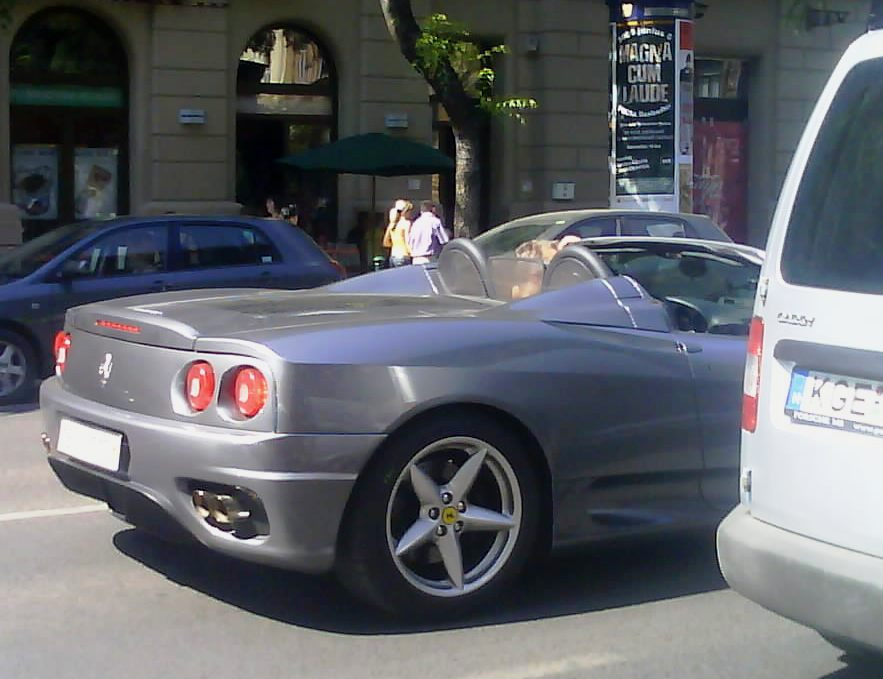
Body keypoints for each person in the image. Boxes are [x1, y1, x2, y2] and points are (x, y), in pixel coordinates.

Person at [407, 200, 449, 265]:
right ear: (433, 209)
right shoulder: (435, 221)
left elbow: (409, 242)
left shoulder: (416, 223)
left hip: (416, 259)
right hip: (429, 258)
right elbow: (444, 240)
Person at [383, 199, 413, 267]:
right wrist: (412, 253)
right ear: (405, 211)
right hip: (403, 255)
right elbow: (407, 241)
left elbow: (385, 243)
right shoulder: (406, 223)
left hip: (393, 256)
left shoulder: (392, 224)